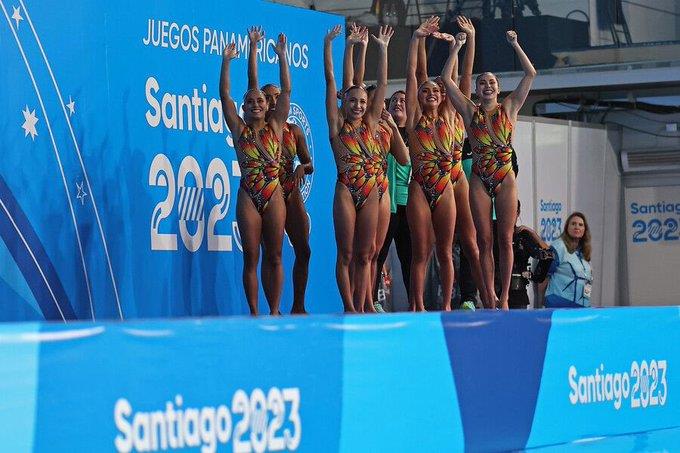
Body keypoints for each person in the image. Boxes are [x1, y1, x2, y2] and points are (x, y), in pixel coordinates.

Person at [441, 29, 537, 310]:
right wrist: (457, 47)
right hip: (480, 179)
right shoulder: (470, 112)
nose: (486, 86)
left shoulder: (510, 107)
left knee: (505, 239)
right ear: (477, 89)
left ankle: (504, 296)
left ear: (498, 87)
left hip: (505, 176)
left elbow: (530, 73)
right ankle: (488, 295)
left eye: (491, 82)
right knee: (484, 241)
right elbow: (446, 80)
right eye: (482, 83)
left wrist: (515, 44)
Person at [324, 25, 394, 312]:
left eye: (362, 101)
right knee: (346, 253)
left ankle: (363, 307)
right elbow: (331, 81)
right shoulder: (337, 126)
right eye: (352, 100)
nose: (358, 105)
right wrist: (331, 46)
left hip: (371, 193)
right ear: (344, 102)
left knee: (366, 255)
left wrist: (383, 48)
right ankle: (349, 307)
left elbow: (383, 82)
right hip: (346, 189)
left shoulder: (373, 123)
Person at [219, 33, 290, 316]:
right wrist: (226, 62)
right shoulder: (239, 129)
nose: (257, 104)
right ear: (244, 108)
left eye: (261, 100)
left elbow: (285, 91)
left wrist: (282, 55)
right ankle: (254, 312)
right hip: (249, 194)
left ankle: (274, 311)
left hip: (273, 194)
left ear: (267, 106)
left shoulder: (276, 126)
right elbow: (225, 94)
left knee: (274, 256)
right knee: (251, 256)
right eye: (250, 102)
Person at [247, 27, 313, 314]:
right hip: (266, 190)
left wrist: (301, 169)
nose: (272, 101)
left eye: (275, 97)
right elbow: (253, 82)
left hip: (288, 190)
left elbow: (309, 162)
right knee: (269, 253)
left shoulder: (293, 130)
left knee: (304, 250)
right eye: (267, 97)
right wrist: (254, 49)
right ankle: (268, 310)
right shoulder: (260, 127)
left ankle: (298, 304)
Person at [405, 17, 457, 312]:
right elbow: (412, 75)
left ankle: (447, 305)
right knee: (421, 251)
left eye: (435, 91)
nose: (430, 94)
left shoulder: (450, 115)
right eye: (425, 92)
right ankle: (419, 306)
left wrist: (456, 48)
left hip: (445, 186)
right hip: (421, 187)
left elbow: (451, 80)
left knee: (446, 251)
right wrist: (416, 38)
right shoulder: (414, 119)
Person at [374, 90, 413, 311]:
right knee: (377, 255)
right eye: (394, 100)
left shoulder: (416, 132)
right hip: (384, 204)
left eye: (403, 100)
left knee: (410, 257)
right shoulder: (380, 131)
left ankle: (415, 303)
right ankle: (371, 301)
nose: (398, 103)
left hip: (408, 205)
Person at [540, 212, 593, 308]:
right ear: (567, 227)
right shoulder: (558, 246)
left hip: (581, 306)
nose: (577, 227)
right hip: (559, 303)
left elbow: (588, 280)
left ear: (584, 230)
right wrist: (541, 299)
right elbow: (544, 276)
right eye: (573, 224)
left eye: (580, 225)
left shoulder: (584, 252)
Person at [508, 201, 554, 309]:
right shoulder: (490, 234)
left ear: (517, 213)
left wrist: (533, 234)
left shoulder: (523, 235)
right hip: (495, 294)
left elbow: (548, 255)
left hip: (517, 294)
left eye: (511, 211)